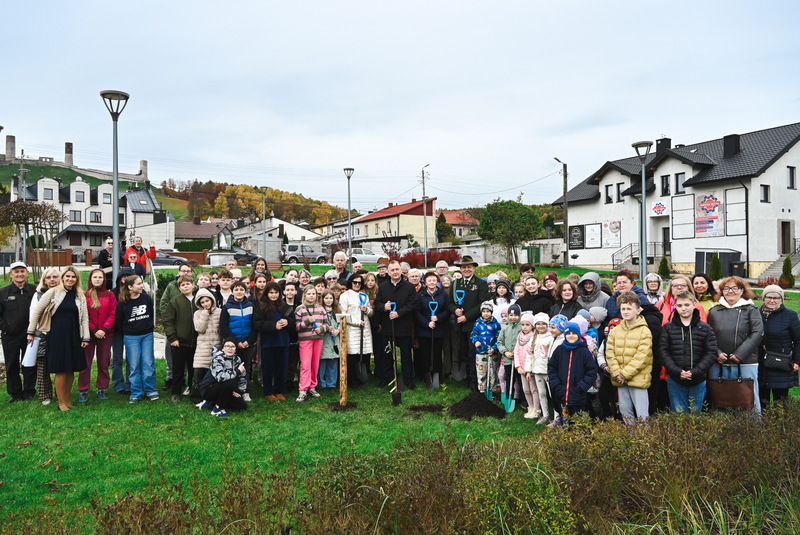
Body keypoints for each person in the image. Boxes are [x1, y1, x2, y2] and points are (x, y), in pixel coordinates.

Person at [27, 266, 90, 412]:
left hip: (74, 334)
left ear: (77, 279)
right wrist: (31, 332)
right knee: (61, 369)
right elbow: (37, 311)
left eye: (73, 277)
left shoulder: (80, 295)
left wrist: (86, 337)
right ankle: (61, 402)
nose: (70, 279)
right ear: (63, 278)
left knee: (71, 369)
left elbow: (84, 318)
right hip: (58, 334)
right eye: (67, 276)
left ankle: (67, 400)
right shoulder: (53, 292)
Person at [706, 276, 764, 413]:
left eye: (735, 288)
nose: (730, 291)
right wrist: (717, 353)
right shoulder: (714, 311)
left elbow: (757, 333)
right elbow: (708, 335)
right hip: (719, 363)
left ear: (742, 290)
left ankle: (751, 425)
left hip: (745, 363)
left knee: (748, 400)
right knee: (721, 399)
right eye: (726, 288)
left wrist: (739, 354)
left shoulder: (751, 309)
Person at [660, 291, 718, 413]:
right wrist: (677, 371)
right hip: (675, 379)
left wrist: (695, 371)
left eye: (687, 305)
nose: (683, 308)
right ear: (675, 306)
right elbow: (663, 351)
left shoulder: (705, 328)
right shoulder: (668, 328)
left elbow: (711, 352)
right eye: (680, 305)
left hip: (698, 379)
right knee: (679, 412)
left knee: (695, 412)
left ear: (694, 304)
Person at [606, 291, 653, 424]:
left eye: (629, 309)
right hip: (620, 379)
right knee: (625, 412)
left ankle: (643, 437)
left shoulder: (644, 331)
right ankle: (630, 436)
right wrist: (617, 373)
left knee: (642, 415)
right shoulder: (615, 331)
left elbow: (642, 356)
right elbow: (610, 353)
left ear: (638, 310)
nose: (626, 312)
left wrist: (625, 374)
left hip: (637, 379)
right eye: (623, 309)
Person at [375, 260, 418, 388]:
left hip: (404, 326)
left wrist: (399, 313)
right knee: (387, 355)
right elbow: (377, 304)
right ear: (388, 272)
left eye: (397, 269)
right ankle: (386, 378)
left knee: (406, 355)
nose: (395, 272)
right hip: (388, 327)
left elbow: (412, 304)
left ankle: (408, 379)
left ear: (401, 271)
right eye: (392, 270)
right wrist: (384, 307)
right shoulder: (382, 287)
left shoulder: (409, 287)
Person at [449, 255, 490, 390]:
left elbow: (482, 304)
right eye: (463, 267)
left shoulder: (480, 283)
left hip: (474, 325)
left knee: (473, 353)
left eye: (469, 267)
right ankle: (467, 378)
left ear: (474, 268)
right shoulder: (456, 283)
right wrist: (455, 310)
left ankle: (475, 381)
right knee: (463, 352)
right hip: (460, 325)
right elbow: (450, 302)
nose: (466, 269)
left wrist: (466, 316)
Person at [116, 275, 158, 403]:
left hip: (147, 335)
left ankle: (150, 390)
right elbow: (119, 321)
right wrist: (129, 330)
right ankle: (136, 392)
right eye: (139, 284)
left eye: (142, 283)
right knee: (134, 365)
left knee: (148, 363)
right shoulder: (122, 303)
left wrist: (148, 327)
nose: (142, 285)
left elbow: (150, 314)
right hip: (131, 337)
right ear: (130, 287)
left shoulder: (146, 298)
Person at [548, 321, 597, 426]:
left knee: (578, 424)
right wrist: (556, 385)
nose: (571, 336)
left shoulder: (584, 352)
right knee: (566, 423)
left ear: (578, 335)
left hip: (578, 395)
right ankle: (566, 434)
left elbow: (591, 372)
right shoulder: (559, 350)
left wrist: (581, 386)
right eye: (568, 333)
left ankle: (579, 435)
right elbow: (552, 368)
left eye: (574, 333)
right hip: (562, 394)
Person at [78, 268, 117, 403]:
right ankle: (83, 389)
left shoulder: (110, 295)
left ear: (104, 279)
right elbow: (83, 315)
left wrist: (104, 329)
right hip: (89, 334)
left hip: (106, 334)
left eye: (100, 277)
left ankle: (102, 388)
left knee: (104, 362)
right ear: (90, 279)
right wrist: (94, 330)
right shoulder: (84, 295)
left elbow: (113, 313)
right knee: (85, 363)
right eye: (95, 277)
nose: (97, 279)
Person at [2, 261, 38, 402]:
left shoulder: (35, 291)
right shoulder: (3, 293)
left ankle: (29, 392)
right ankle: (15, 393)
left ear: (27, 273)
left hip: (30, 335)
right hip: (10, 336)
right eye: (16, 272)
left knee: (29, 364)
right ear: (11, 274)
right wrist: (6, 327)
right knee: (12, 365)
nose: (19, 274)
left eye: (22, 271)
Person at [758, 285, 800, 405]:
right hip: (760, 363)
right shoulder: (756, 314)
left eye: (776, 298)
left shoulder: (790, 316)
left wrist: (797, 361)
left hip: (781, 364)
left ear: (781, 299)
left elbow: (798, 340)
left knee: (780, 402)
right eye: (769, 297)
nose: (772, 300)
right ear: (764, 298)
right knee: (762, 400)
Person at [254, 281, 295, 401]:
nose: (273, 295)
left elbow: (294, 322)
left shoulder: (285, 306)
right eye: (271, 292)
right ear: (266, 293)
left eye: (276, 292)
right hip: (268, 343)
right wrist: (273, 326)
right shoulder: (261, 307)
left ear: (280, 293)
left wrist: (287, 322)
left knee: (281, 368)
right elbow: (257, 324)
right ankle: (268, 392)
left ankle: (279, 391)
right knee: (268, 368)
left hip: (283, 342)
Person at [220, 281, 257, 400]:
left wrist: (249, 341)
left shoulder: (251, 306)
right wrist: (236, 343)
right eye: (236, 289)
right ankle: (233, 391)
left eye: (242, 289)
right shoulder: (227, 307)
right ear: (232, 292)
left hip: (247, 343)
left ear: (246, 291)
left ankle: (245, 391)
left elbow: (255, 326)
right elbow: (223, 328)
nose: (239, 292)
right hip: (233, 344)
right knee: (232, 367)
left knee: (246, 367)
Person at [159, 262, 194, 389]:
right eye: (183, 271)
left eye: (188, 271)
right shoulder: (171, 286)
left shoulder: (195, 289)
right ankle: (171, 378)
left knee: (188, 356)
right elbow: (163, 303)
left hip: (188, 330)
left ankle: (185, 380)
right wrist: (170, 317)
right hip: (173, 326)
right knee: (171, 354)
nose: (185, 273)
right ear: (178, 272)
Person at [163, 275, 198, 403]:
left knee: (194, 369)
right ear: (179, 288)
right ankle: (176, 392)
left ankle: (193, 391)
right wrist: (172, 337)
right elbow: (168, 321)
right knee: (178, 369)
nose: (185, 286)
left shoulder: (198, 300)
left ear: (193, 285)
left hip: (196, 342)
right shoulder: (175, 301)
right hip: (179, 342)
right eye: (182, 285)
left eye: (188, 284)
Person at [414, 272, 451, 387]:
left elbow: (448, 310)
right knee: (425, 354)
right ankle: (426, 376)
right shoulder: (420, 295)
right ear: (425, 282)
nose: (432, 282)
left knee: (437, 354)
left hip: (438, 330)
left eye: (434, 280)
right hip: (424, 330)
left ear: (437, 282)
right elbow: (417, 312)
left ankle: (437, 376)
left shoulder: (443, 294)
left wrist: (438, 318)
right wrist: (427, 323)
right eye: (429, 280)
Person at [31, 268, 61, 405]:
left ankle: (60, 392)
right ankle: (45, 395)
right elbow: (33, 315)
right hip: (42, 334)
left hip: (60, 334)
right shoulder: (38, 295)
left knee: (61, 366)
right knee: (42, 368)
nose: (52, 279)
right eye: (49, 277)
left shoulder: (65, 293)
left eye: (55, 277)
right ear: (44, 280)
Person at [294, 285, 330, 401]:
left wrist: (322, 329)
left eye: (313, 294)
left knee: (315, 364)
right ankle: (303, 389)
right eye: (309, 294)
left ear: (316, 295)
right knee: (305, 365)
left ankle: (312, 387)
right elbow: (297, 327)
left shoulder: (321, 308)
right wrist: (307, 321)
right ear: (304, 295)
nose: (311, 296)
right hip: (305, 340)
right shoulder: (300, 309)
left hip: (318, 339)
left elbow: (327, 324)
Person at [339, 274, 373, 389]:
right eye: (355, 282)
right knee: (352, 355)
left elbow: (371, 312)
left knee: (363, 353)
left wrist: (366, 309)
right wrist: (357, 322)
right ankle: (352, 379)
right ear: (350, 283)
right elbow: (343, 314)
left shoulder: (364, 296)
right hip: (352, 329)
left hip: (365, 329)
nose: (357, 284)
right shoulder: (345, 296)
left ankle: (361, 377)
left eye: (359, 282)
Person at [198, 339, 248, 417]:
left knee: (242, 406)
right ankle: (217, 409)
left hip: (226, 388)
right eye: (227, 346)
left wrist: (240, 392)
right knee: (230, 382)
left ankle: (211, 403)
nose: (230, 348)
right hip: (209, 389)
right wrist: (238, 371)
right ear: (223, 348)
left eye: (233, 347)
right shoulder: (217, 358)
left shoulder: (237, 359)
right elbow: (220, 378)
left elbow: (242, 377)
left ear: (235, 349)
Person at [192, 288, 222, 403]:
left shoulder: (219, 312)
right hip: (202, 348)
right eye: (202, 302)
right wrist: (204, 314)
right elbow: (200, 329)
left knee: (212, 374)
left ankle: (210, 396)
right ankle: (196, 397)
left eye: (207, 301)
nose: (205, 304)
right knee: (198, 373)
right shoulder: (197, 314)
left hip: (216, 347)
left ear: (212, 300)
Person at [525, 312, 553, 425]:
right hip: (537, 371)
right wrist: (528, 370)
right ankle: (545, 415)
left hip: (548, 371)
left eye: (543, 323)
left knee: (552, 394)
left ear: (547, 325)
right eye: (538, 324)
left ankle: (557, 417)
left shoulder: (551, 337)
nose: (541, 326)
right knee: (541, 393)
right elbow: (529, 355)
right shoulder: (533, 338)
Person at [471, 301, 501, 394]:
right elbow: (473, 335)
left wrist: (494, 348)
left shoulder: (495, 324)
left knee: (493, 372)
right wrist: (476, 341)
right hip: (480, 352)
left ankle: (492, 390)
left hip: (492, 353)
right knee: (481, 372)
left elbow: (499, 338)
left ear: (491, 312)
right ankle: (482, 390)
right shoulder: (478, 323)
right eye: (484, 311)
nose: (486, 313)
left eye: (488, 311)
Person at [497, 304, 523, 402]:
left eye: (516, 315)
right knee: (508, 379)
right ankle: (508, 397)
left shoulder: (522, 328)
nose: (513, 317)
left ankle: (521, 399)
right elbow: (500, 343)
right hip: (508, 360)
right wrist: (505, 352)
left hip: (519, 361)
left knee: (520, 380)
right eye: (511, 315)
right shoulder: (504, 329)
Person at [318, 289, 341, 390]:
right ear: (322, 299)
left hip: (334, 340)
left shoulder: (337, 311)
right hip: (324, 339)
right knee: (322, 362)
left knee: (333, 361)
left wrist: (338, 330)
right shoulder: (319, 311)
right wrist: (326, 328)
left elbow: (342, 323)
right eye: (326, 298)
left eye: (330, 298)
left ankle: (331, 383)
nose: (328, 300)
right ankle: (321, 384)